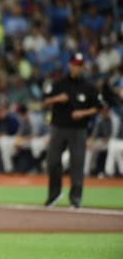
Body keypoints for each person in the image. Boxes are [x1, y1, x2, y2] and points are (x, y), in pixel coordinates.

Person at [42, 52, 103, 209]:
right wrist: (56, 99)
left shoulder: (89, 87)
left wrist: (83, 113)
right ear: (69, 65)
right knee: (53, 162)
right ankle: (54, 194)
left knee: (77, 163)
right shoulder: (58, 84)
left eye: (80, 66)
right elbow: (44, 101)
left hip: (78, 129)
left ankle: (75, 198)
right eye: (75, 65)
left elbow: (99, 107)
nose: (77, 68)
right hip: (58, 127)